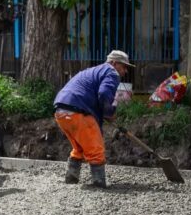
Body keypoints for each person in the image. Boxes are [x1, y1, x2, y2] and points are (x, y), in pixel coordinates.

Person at [53, 50, 134, 188]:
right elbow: (103, 93)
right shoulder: (111, 72)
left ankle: (71, 178)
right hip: (79, 110)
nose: (125, 71)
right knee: (95, 148)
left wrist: (103, 113)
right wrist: (109, 112)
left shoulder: (93, 71)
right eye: (123, 66)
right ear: (114, 63)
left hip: (61, 110)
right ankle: (98, 182)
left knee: (79, 147)